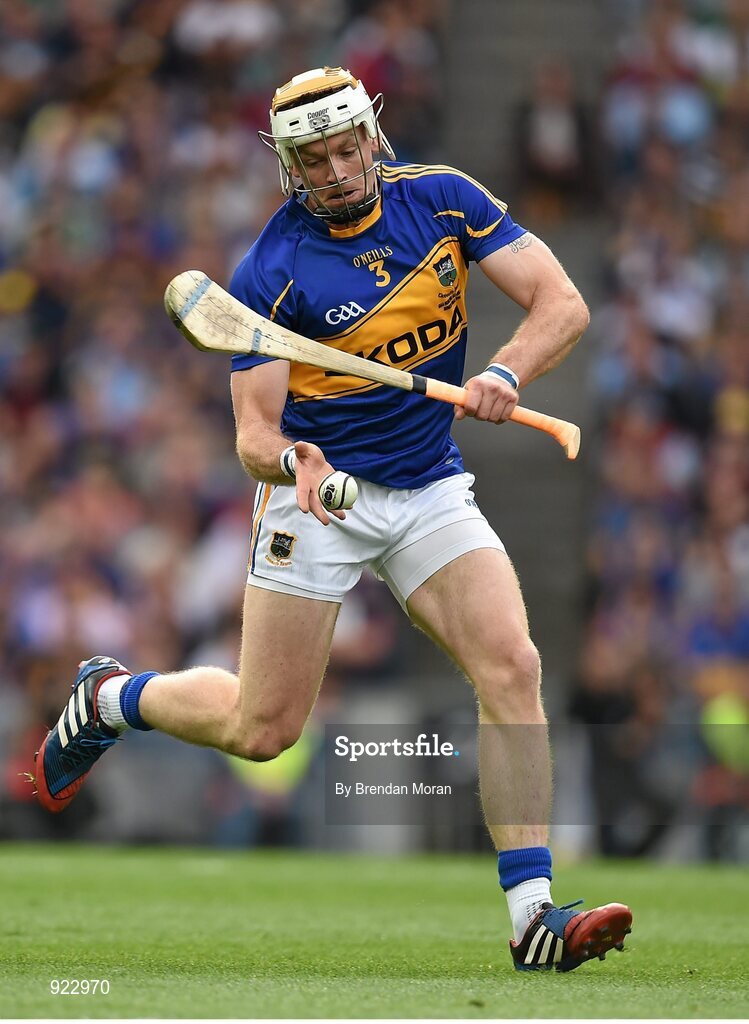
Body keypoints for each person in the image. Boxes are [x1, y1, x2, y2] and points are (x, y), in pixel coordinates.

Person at [32, 66, 632, 972]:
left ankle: (533, 918)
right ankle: (113, 696)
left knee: (512, 665)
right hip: (319, 498)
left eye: (346, 147)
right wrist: (296, 460)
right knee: (261, 732)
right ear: (288, 166)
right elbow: (252, 435)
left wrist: (505, 374)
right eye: (312, 158)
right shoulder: (270, 269)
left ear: (371, 136)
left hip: (428, 482)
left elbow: (562, 303)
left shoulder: (444, 203)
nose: (336, 169)